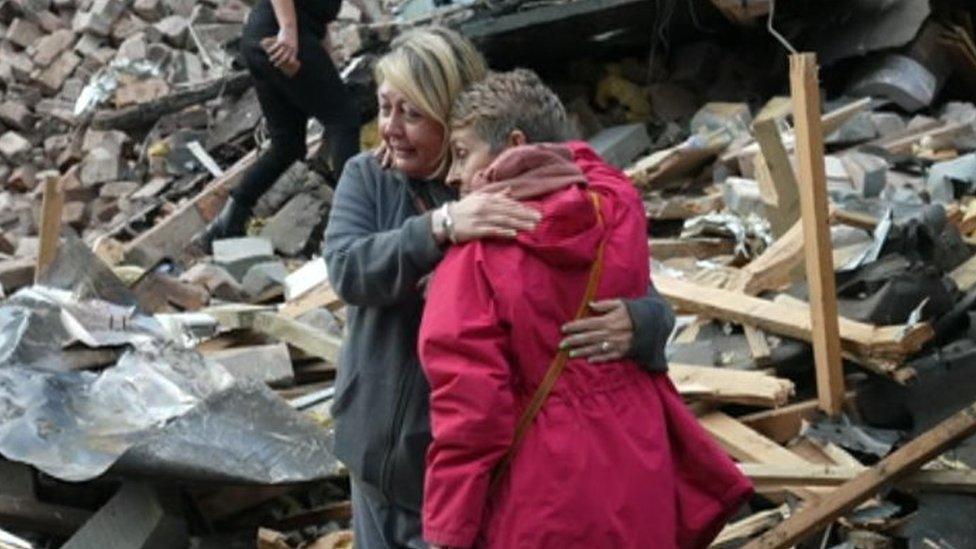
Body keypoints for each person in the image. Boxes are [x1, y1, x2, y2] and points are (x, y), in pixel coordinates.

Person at [323, 28, 676, 548]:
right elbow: (347, 268)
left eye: (412, 114)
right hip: (373, 458)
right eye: (384, 109)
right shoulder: (370, 178)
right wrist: (438, 227)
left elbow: (616, 281)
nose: (390, 130)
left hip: (458, 478)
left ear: (453, 114)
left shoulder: (515, 192)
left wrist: (645, 322)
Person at [418, 69, 753, 549]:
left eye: (463, 154)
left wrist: (447, 531)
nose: (452, 175)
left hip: (544, 496)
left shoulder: (474, 258)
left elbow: (472, 413)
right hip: (640, 470)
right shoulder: (616, 210)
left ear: (514, 145)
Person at [192, 0, 382, 251]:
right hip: (280, 40)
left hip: (262, 39)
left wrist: (329, 67)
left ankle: (227, 223)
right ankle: (356, 220)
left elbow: (318, 27)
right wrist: (288, 31)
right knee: (343, 119)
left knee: (288, 145)